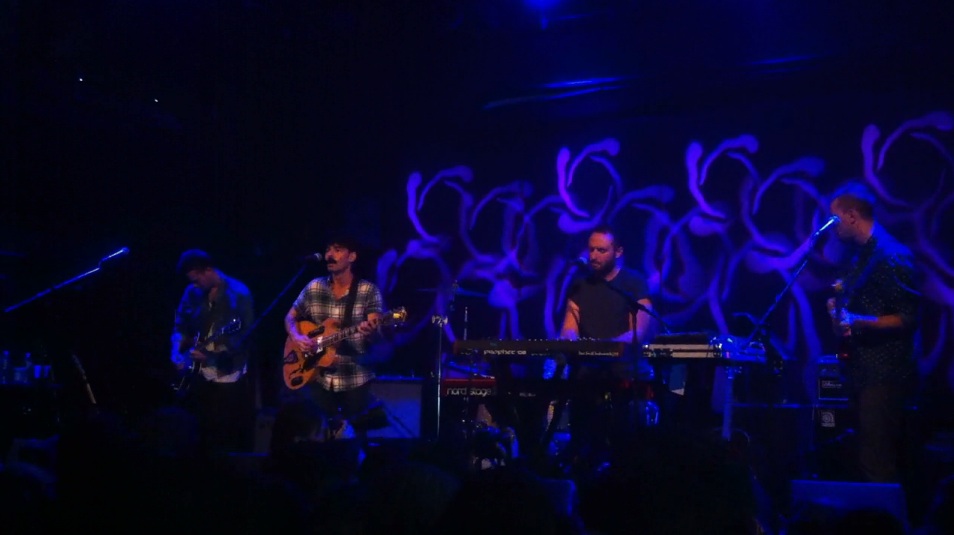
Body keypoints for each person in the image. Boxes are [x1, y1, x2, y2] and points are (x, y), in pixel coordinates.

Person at [825, 181, 920, 483]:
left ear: (852, 216)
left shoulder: (891, 255)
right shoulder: (860, 257)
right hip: (860, 371)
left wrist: (856, 320)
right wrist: (838, 310)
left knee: (877, 461)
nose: (832, 226)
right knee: (861, 455)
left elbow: (908, 317)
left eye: (835, 218)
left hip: (884, 374)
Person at [557, 224, 654, 465]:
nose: (593, 256)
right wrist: (571, 341)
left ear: (618, 252)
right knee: (583, 442)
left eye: (601, 250)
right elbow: (569, 327)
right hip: (586, 376)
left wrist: (604, 346)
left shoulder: (633, 283)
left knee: (623, 445)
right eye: (591, 250)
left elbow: (638, 332)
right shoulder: (580, 285)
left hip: (624, 374)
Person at [282, 235, 388, 440]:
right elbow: (290, 317)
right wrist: (297, 337)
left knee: (353, 439)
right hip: (317, 376)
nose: (329, 255)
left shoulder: (368, 290)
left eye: (337, 250)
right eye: (328, 249)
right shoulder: (314, 287)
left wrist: (370, 332)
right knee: (317, 438)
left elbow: (376, 334)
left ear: (352, 257)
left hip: (354, 375)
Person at [171, 249, 255, 457]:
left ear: (208, 270)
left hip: (226, 376)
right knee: (197, 435)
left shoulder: (239, 294)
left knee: (223, 437)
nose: (195, 285)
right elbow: (179, 326)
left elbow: (244, 340)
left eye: (197, 279)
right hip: (197, 374)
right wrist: (176, 351)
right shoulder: (192, 292)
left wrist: (210, 356)